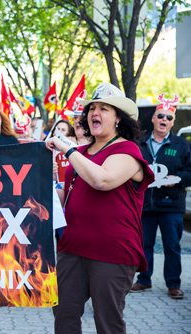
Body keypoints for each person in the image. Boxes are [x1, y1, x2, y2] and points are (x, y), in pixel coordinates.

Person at [45, 83, 154, 334]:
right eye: (92, 108)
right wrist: (42, 189)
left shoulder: (127, 150)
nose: (95, 112)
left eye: (104, 108)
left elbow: (101, 180)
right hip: (72, 248)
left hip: (112, 252)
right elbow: (69, 196)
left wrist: (67, 148)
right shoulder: (82, 152)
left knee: (107, 322)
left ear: (118, 119)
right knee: (63, 312)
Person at [131, 94, 191, 300]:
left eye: (169, 117)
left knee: (172, 246)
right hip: (145, 203)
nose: (164, 120)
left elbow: (190, 172)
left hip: (171, 205)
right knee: (144, 244)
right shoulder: (140, 143)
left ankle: (173, 284)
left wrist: (178, 179)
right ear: (153, 119)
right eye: (161, 116)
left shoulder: (181, 145)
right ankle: (144, 279)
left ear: (173, 122)